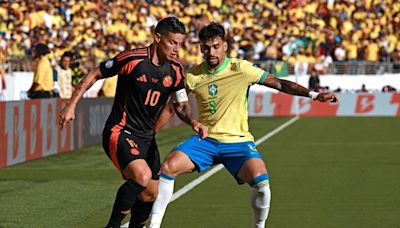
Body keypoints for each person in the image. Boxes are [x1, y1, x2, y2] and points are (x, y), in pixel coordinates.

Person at [149, 23, 338, 228]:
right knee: (168, 167)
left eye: (215, 46)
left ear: (225, 46)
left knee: (262, 185)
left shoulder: (241, 69)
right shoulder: (193, 76)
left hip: (237, 142)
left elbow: (280, 83)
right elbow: (176, 106)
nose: (210, 52)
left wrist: (314, 95)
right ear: (201, 48)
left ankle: (259, 226)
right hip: (205, 141)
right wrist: (154, 133)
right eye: (206, 47)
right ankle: (154, 225)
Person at [58, 17, 207, 228]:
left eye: (180, 44)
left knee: (150, 194)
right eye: (173, 42)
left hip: (147, 138)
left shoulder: (176, 70)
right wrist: (71, 105)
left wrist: (193, 122)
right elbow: (95, 74)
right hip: (120, 131)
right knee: (142, 176)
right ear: (157, 37)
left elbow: (180, 105)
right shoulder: (133, 59)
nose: (177, 49)